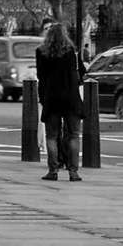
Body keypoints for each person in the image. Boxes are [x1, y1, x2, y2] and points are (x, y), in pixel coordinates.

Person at [36, 20, 83, 182]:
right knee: (74, 135)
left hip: (52, 97)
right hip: (71, 97)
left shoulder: (41, 52)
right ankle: (73, 171)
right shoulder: (71, 51)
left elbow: (41, 76)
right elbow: (81, 73)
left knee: (51, 136)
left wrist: (42, 97)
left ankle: (53, 170)